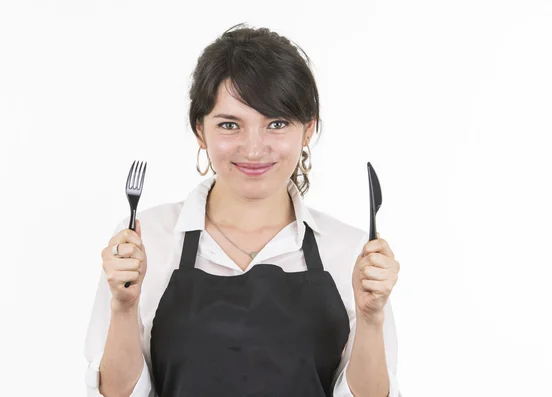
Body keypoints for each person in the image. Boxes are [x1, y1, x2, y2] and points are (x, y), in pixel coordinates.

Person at [84, 23, 401, 397]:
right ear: (200, 130)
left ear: (308, 130)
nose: (253, 149)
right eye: (230, 125)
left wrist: (371, 317)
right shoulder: (145, 239)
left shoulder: (350, 252)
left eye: (277, 124)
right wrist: (123, 306)